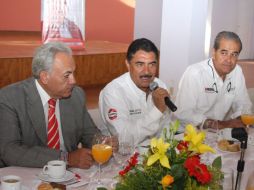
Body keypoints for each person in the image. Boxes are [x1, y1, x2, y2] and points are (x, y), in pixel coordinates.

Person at [0, 42, 116, 168]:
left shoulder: (76, 95)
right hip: (24, 173)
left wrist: (103, 142)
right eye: (67, 75)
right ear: (44, 77)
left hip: (70, 176)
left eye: (73, 73)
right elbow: (10, 151)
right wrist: (65, 158)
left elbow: (89, 134)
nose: (73, 81)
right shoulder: (10, 98)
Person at [99, 38, 172, 146]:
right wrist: (157, 110)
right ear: (128, 65)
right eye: (140, 64)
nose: (147, 71)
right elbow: (122, 138)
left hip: (158, 153)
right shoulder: (113, 92)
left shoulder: (160, 85)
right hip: (123, 156)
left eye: (152, 64)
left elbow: (166, 127)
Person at [175, 31, 252, 130]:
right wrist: (220, 124)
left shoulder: (237, 71)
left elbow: (243, 104)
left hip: (218, 134)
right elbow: (183, 113)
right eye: (224, 53)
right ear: (214, 52)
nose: (228, 60)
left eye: (234, 54)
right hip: (187, 134)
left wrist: (239, 119)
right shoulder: (195, 73)